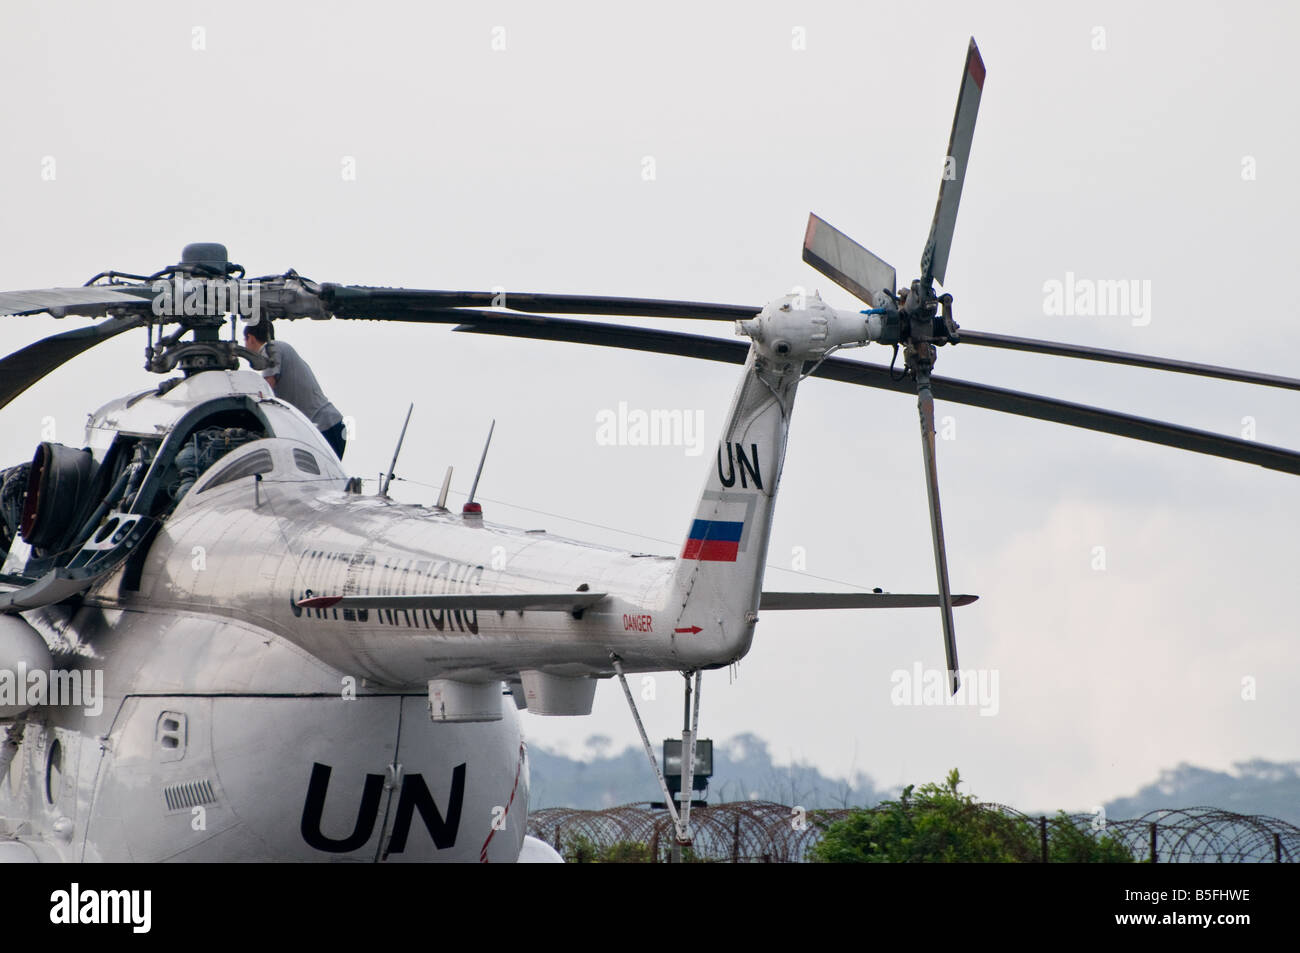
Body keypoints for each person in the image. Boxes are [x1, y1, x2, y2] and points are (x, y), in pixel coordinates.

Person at [242, 322, 347, 459]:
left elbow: (267, 392)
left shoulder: (271, 349)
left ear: (250, 338)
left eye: (245, 341)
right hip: (327, 426)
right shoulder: (282, 348)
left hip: (325, 427)